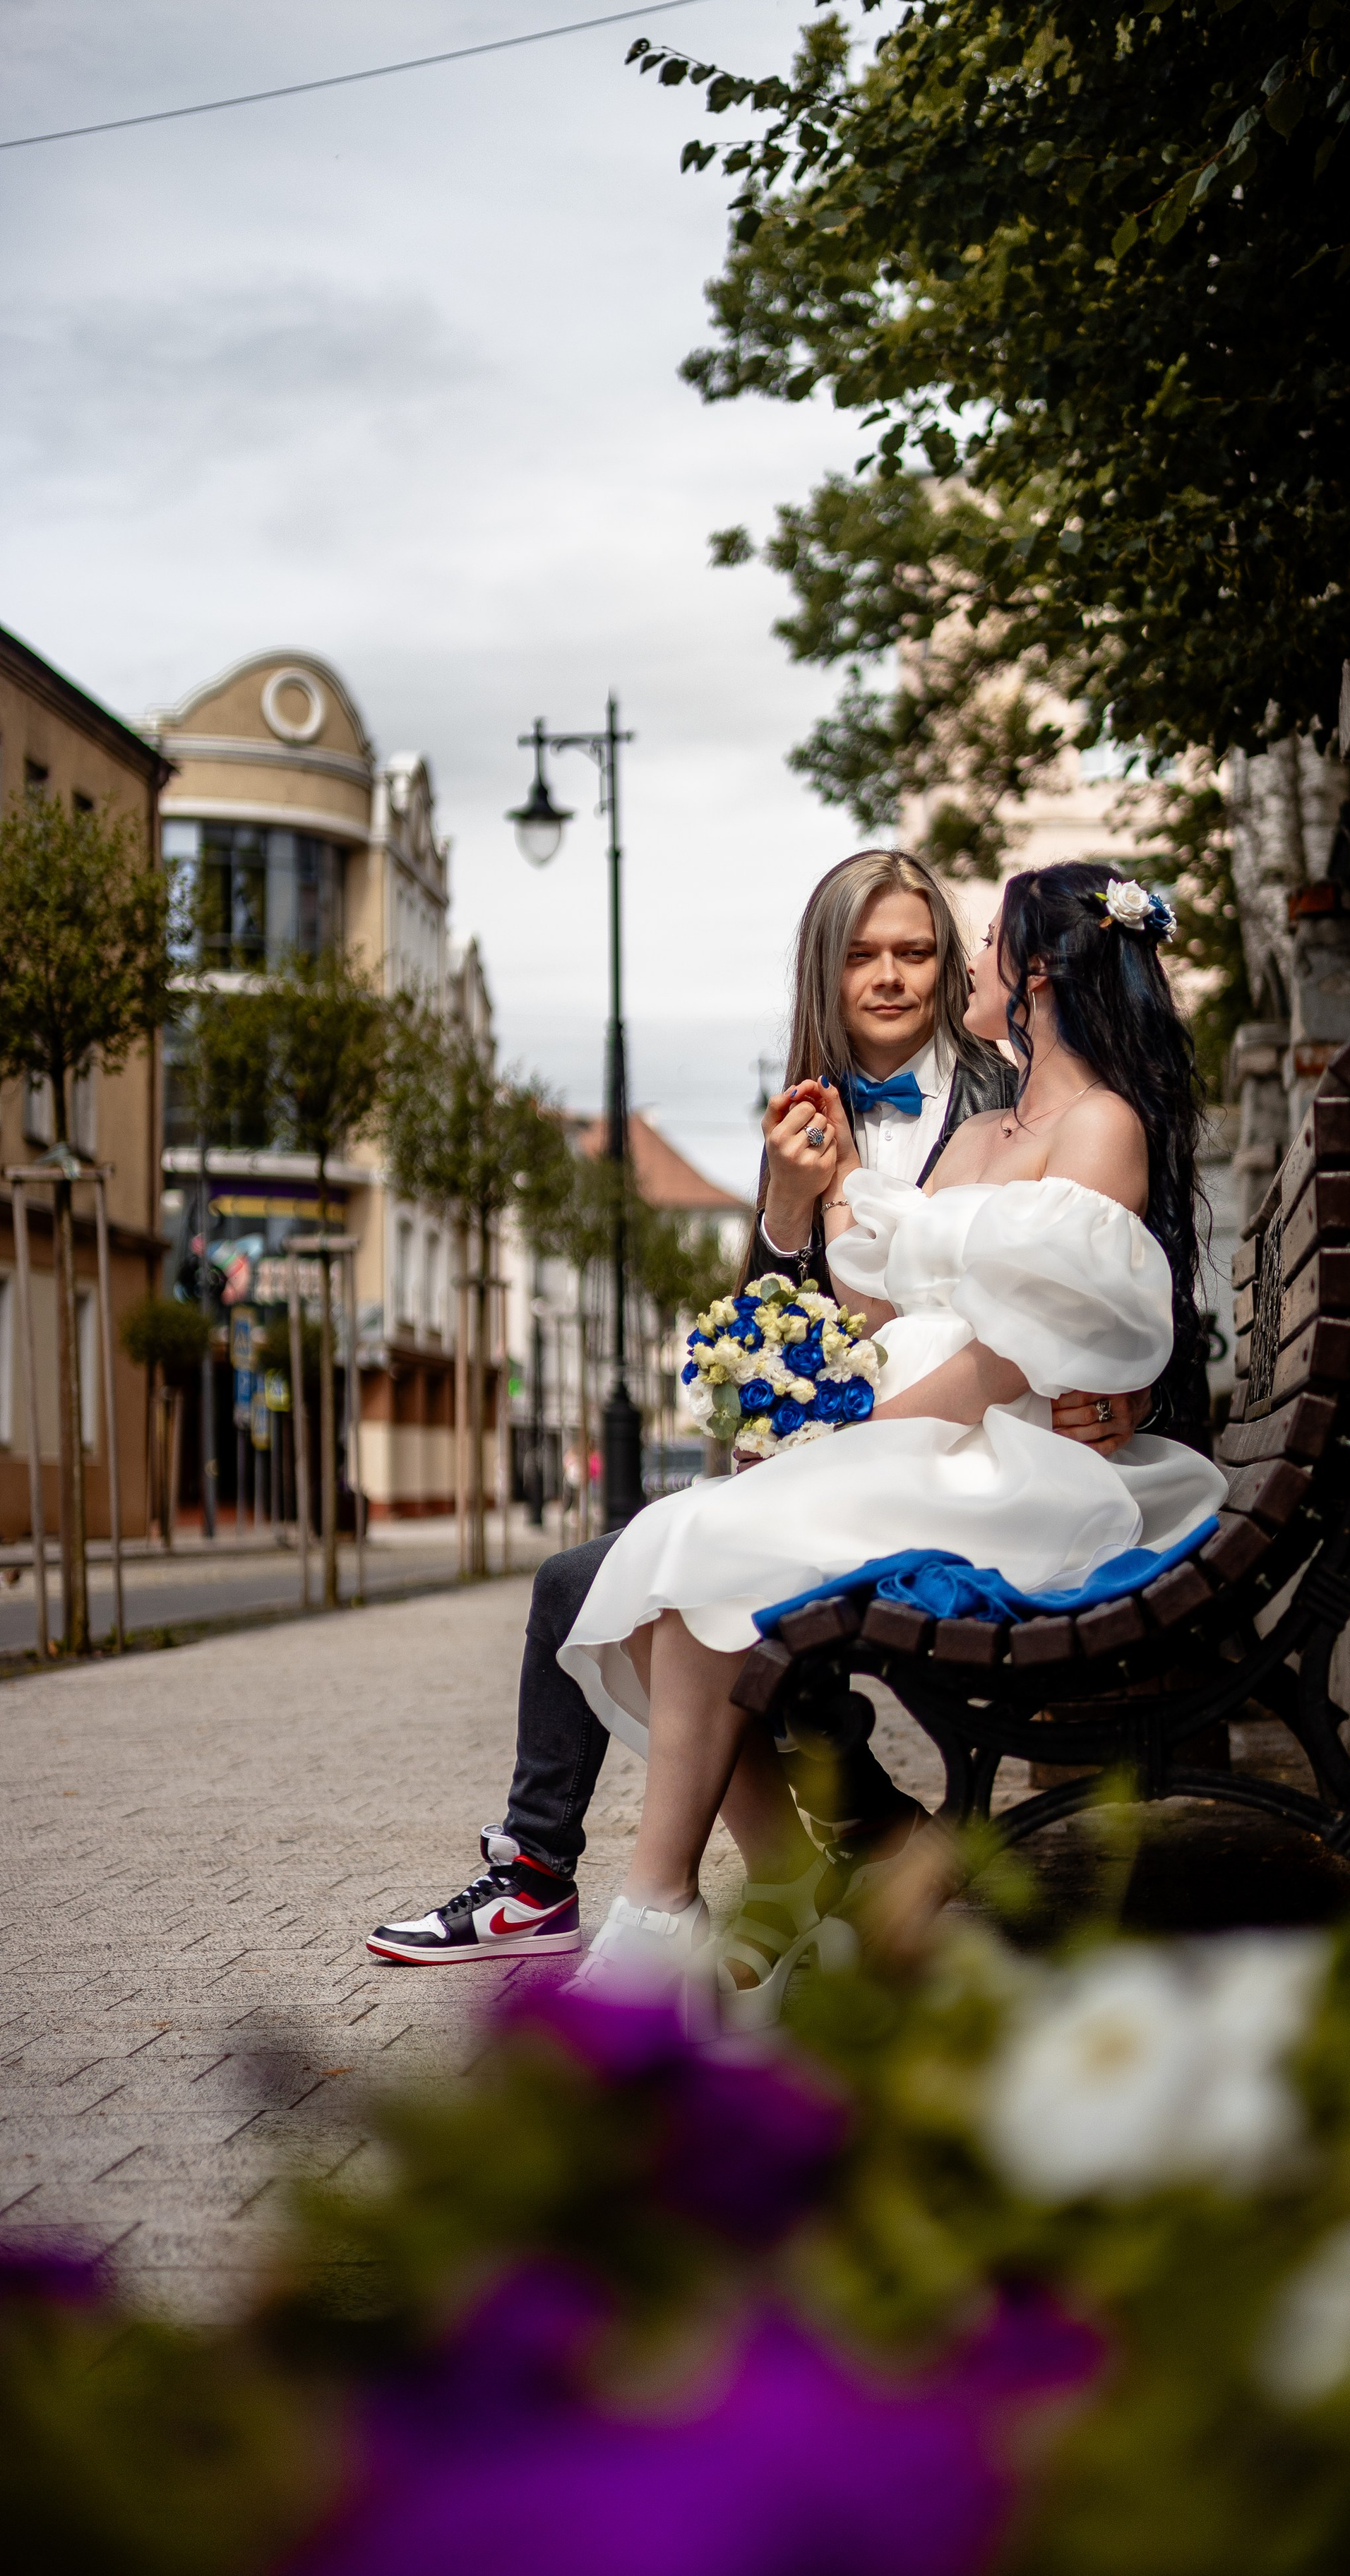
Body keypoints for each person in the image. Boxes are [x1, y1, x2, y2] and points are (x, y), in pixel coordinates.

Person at [367, 848, 1147, 1967]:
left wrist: (1122, 1389)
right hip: (852, 1445)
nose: (891, 977)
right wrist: (790, 1201)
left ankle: (739, 1867)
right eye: (863, 956)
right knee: (609, 1577)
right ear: (823, 974)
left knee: (661, 1578)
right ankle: (717, 1861)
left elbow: (1106, 1266)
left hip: (955, 1446)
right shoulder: (806, 1112)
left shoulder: (1009, 1096)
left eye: (920, 952)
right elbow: (769, 1330)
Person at [557, 858, 1227, 2020]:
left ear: (1037, 976)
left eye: (978, 947)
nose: (961, 964)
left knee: (695, 1546)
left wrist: (855, 1436)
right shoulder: (981, 1137)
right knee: (675, 1564)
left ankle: (674, 1910)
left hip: (1009, 1464)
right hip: (923, 1441)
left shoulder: (1102, 1128)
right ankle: (706, 1895)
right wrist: (808, 1198)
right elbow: (879, 1316)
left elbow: (1020, 1353)